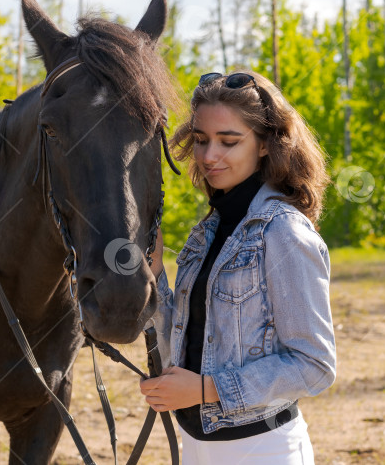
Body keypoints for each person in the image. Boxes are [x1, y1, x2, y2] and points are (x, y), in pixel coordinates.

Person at [139, 70, 337, 464]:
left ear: (265, 144)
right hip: (196, 447)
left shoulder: (283, 231)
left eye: (229, 141)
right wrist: (156, 272)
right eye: (200, 140)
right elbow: (184, 342)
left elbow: (315, 365)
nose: (209, 155)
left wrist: (205, 390)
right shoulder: (208, 231)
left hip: (264, 451)